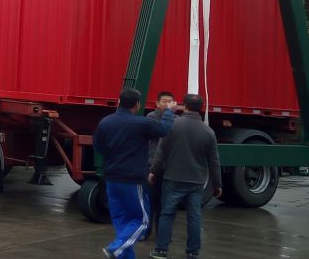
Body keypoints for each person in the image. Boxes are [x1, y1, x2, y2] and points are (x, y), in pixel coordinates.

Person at [94, 89, 175, 259]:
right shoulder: (141, 123)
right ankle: (115, 248)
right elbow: (165, 129)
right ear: (137, 105)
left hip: (112, 179)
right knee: (142, 221)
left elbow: (98, 148)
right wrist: (169, 112)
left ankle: (125, 256)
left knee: (122, 222)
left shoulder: (105, 122)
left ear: (119, 101)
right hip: (133, 180)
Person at [148, 94, 222, 259]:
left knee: (167, 213)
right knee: (194, 216)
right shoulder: (208, 131)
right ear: (201, 108)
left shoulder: (172, 125)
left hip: (172, 178)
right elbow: (214, 161)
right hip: (196, 181)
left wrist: (153, 171)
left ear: (184, 106)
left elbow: (160, 153)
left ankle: (161, 250)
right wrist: (217, 185)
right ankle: (192, 252)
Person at [144, 91, 176, 239]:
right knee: (150, 202)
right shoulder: (151, 117)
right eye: (164, 101)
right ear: (157, 103)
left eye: (170, 101)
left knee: (166, 204)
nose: (167, 104)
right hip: (152, 166)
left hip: (169, 168)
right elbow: (162, 131)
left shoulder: (177, 120)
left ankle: (163, 234)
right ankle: (146, 231)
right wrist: (169, 114)